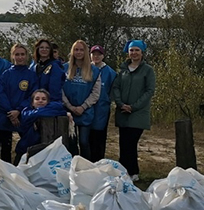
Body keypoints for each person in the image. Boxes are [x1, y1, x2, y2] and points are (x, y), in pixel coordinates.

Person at [111, 40, 156, 181]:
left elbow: (149, 91)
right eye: (131, 50)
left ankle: (133, 172)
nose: (134, 53)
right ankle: (123, 172)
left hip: (138, 113)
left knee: (131, 143)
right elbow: (116, 87)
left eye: (137, 50)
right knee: (123, 144)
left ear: (142, 52)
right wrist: (120, 103)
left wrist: (134, 106)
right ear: (128, 52)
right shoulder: (123, 69)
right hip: (122, 111)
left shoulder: (148, 70)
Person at [0, 43, 37, 163]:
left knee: (27, 146)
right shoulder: (6, 74)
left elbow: (32, 96)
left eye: (22, 54)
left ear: (26, 56)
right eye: (17, 54)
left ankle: (22, 169)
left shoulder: (31, 75)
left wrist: (18, 110)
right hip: (5, 115)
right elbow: (0, 95)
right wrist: (10, 112)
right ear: (12, 56)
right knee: (5, 148)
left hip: (23, 115)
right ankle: (4, 173)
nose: (20, 57)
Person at [62, 40, 102, 160]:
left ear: (86, 52)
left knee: (84, 142)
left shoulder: (94, 70)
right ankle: (73, 167)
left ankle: (86, 167)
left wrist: (83, 106)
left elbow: (96, 93)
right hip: (69, 112)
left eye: (81, 50)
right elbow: (59, 90)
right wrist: (69, 106)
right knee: (71, 142)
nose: (78, 52)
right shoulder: (64, 68)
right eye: (76, 49)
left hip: (85, 112)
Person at [16, 89, 66, 158]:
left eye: (44, 99)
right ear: (32, 103)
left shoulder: (51, 110)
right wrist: (44, 109)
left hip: (45, 149)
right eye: (37, 99)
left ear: (48, 102)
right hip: (26, 150)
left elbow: (61, 108)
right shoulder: (26, 113)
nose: (40, 101)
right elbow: (37, 114)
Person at [88, 45, 116, 160]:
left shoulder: (110, 72)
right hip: (88, 107)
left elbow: (114, 89)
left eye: (99, 54)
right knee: (87, 136)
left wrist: (108, 100)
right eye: (94, 54)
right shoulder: (86, 68)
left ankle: (99, 160)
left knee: (99, 136)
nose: (96, 56)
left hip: (102, 108)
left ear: (103, 56)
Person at [32, 38, 65, 103]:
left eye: (47, 48)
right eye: (41, 47)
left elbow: (54, 90)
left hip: (50, 104)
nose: (44, 49)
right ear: (37, 49)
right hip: (35, 103)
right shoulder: (34, 67)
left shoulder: (55, 66)